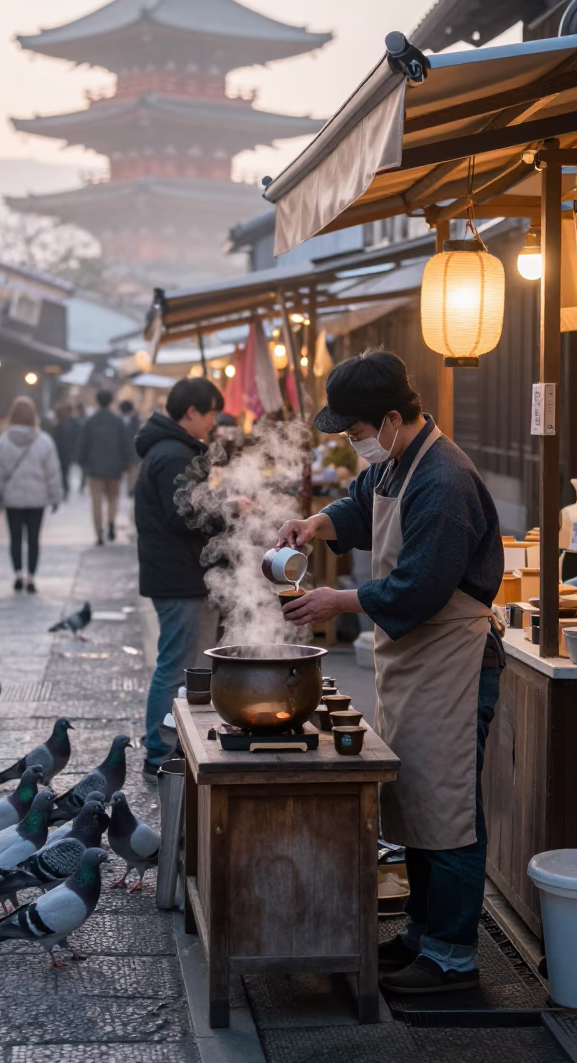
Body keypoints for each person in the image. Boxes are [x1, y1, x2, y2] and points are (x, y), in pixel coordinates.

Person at [276, 350, 504, 995]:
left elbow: (421, 585)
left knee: (451, 809)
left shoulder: (444, 479)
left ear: (395, 418)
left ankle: (453, 958)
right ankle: (421, 937)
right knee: (417, 801)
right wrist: (319, 523)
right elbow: (359, 503)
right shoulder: (399, 459)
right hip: (416, 660)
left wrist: (336, 601)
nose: (356, 445)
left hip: (454, 658)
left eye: (357, 433)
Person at [135, 376, 225, 776]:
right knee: (176, 666)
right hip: (179, 576)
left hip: (175, 572)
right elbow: (183, 514)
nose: (213, 423)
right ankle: (160, 749)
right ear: (191, 412)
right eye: (210, 414)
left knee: (178, 663)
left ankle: (170, 743)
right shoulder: (174, 453)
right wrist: (229, 507)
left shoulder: (170, 448)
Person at [0, 396, 63, 593]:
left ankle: (17, 574)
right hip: (37, 499)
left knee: (15, 538)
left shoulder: (3, 442)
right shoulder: (44, 441)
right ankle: (31, 577)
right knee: (33, 539)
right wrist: (55, 497)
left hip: (12, 499)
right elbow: (52, 473)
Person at [78, 389, 129, 544]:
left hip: (95, 468)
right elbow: (124, 444)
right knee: (113, 499)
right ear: (111, 401)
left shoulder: (91, 421)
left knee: (96, 502)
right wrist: (125, 463)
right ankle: (111, 521)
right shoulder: (117, 421)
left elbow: (83, 444)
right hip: (114, 467)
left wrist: (83, 462)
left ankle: (99, 534)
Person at [51, 403, 81, 500]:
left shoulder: (58, 425)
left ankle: (64, 490)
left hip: (60, 453)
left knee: (61, 473)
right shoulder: (69, 423)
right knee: (64, 473)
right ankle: (65, 489)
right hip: (66, 453)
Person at [118, 399, 141, 494]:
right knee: (131, 470)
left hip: (131, 450)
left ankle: (131, 488)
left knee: (132, 470)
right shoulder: (135, 420)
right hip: (128, 450)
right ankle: (130, 487)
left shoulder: (134, 420)